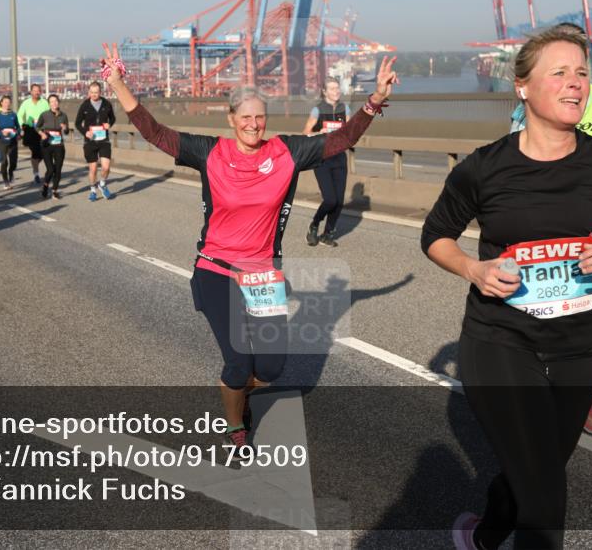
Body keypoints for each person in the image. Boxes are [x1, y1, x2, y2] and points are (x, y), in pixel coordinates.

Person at [421, 28, 592, 550]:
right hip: (500, 340)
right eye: (558, 73)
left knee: (540, 468)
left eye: (581, 73)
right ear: (522, 87)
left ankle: (484, 534)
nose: (575, 84)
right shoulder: (485, 166)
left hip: (579, 345)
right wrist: (473, 269)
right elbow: (435, 237)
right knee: (545, 494)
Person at [101, 42, 397, 454]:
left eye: (260, 117)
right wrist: (117, 82)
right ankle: (235, 421)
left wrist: (375, 100)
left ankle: (234, 388)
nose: (254, 125)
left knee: (272, 369)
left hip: (261, 274)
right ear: (231, 119)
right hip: (216, 269)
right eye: (246, 117)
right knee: (240, 364)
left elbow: (342, 138)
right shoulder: (211, 153)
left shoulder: (287, 152)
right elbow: (154, 132)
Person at [509, 22, 592, 436]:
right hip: (547, 235)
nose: (573, 80)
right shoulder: (531, 104)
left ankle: (581, 394)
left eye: (580, 66)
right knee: (548, 312)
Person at [303, 77, 351, 247]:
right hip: (322, 159)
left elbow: (350, 132)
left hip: (340, 158)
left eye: (337, 88)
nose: (336, 91)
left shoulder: (345, 108)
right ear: (324, 91)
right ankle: (314, 225)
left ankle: (328, 234)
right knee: (330, 199)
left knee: (339, 201)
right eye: (332, 88)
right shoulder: (317, 110)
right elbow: (306, 133)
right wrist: (320, 132)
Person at [75, 81, 117, 201]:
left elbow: (112, 118)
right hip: (90, 141)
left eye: (96, 92)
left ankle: (102, 184)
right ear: (89, 92)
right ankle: (93, 190)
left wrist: (109, 124)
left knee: (106, 167)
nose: (94, 94)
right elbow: (78, 123)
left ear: (100, 92)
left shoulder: (106, 104)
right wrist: (85, 132)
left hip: (104, 140)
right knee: (93, 169)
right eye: (92, 92)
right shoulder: (85, 105)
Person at [35, 94, 69, 200]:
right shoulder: (44, 115)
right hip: (47, 145)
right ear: (49, 104)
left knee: (58, 169)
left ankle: (54, 191)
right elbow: (37, 127)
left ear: (58, 102)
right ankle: (45, 186)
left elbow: (67, 132)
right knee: (50, 169)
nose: (54, 103)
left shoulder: (63, 115)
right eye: (51, 102)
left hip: (59, 145)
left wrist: (65, 128)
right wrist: (42, 134)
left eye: (56, 101)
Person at [17, 84, 50, 185]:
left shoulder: (44, 103)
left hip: (42, 131)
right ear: (31, 92)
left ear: (41, 91)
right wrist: (22, 125)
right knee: (35, 152)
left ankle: (36, 167)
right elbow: (19, 115)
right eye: (34, 90)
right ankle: (36, 174)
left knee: (42, 154)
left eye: (38, 90)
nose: (36, 92)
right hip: (30, 131)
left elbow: (49, 115)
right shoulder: (26, 103)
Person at [0, 95, 20, 190]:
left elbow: (18, 126)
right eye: (5, 102)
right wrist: (1, 132)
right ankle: (6, 182)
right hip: (2, 141)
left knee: (13, 163)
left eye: (9, 102)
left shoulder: (13, 115)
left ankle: (11, 172)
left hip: (12, 141)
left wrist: (18, 133)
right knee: (4, 162)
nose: (7, 104)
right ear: (1, 103)